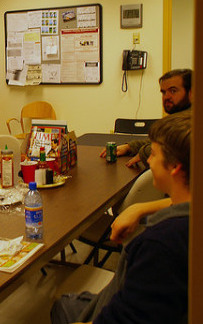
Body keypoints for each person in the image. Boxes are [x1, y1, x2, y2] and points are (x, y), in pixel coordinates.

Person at [52, 110, 191, 324]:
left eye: (152, 153)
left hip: (110, 309)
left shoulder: (159, 245)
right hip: (120, 300)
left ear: (174, 167)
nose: (148, 160)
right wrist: (139, 209)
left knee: (63, 306)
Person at [100, 68, 192, 168]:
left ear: (191, 93)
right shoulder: (178, 117)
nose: (166, 97)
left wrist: (145, 152)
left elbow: (168, 147)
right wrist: (129, 147)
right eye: (163, 92)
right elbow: (161, 140)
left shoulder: (192, 121)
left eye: (173, 91)